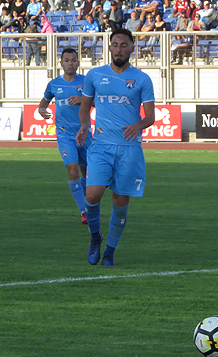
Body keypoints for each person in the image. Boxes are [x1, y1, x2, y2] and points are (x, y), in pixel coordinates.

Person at [76, 28, 156, 267]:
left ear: (132, 48)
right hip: (100, 145)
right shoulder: (94, 76)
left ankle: (110, 251)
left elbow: (150, 117)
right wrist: (83, 126)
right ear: (109, 47)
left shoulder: (142, 79)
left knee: (120, 201)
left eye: (124, 45)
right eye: (115, 44)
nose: (119, 49)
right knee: (92, 195)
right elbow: (85, 107)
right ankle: (95, 238)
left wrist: (138, 125)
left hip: (129, 148)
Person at [38, 49, 92, 225]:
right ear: (61, 63)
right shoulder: (54, 84)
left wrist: (83, 100)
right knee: (73, 171)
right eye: (67, 60)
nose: (70, 63)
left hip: (84, 134)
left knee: (87, 173)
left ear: (78, 63)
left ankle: (87, 205)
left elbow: (99, 101)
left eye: (73, 60)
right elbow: (43, 104)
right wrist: (42, 110)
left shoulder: (86, 82)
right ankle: (84, 211)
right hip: (64, 135)